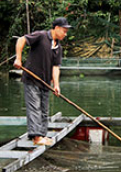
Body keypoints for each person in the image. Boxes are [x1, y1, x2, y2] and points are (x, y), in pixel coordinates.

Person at [13, 17, 72, 145]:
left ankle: (42, 135)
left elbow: (56, 67)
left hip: (45, 82)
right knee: (34, 108)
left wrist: (56, 85)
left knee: (44, 110)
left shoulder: (58, 48)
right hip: (32, 79)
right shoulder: (41, 36)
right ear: (56, 28)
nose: (65, 34)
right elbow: (21, 40)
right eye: (64, 30)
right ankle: (36, 137)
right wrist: (18, 58)